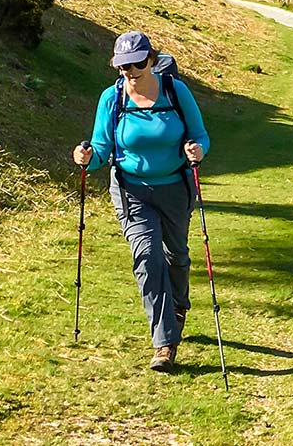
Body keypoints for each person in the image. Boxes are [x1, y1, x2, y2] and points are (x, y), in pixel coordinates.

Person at [72, 31, 210, 374]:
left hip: (175, 187)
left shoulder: (176, 91)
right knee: (147, 255)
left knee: (176, 256)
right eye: (122, 67)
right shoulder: (112, 98)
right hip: (130, 189)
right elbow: (102, 147)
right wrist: (86, 157)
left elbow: (200, 135)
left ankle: (179, 305)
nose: (129, 72)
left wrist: (197, 150)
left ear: (151, 60)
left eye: (136, 64)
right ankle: (165, 343)